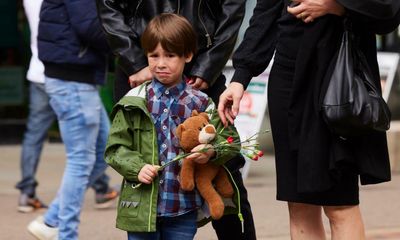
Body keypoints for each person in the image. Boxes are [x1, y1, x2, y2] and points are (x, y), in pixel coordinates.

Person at [218, 0, 400, 239]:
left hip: (338, 80)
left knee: (340, 205)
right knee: (299, 204)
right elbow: (266, 12)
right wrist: (240, 77)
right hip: (288, 80)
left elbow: (388, 9)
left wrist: (337, 5)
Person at [97, 1, 256, 239]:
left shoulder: (201, 101)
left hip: (202, 67)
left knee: (226, 174)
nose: (162, 62)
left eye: (167, 56)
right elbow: (108, 6)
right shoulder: (136, 98)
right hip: (138, 68)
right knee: (143, 161)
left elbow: (231, 11)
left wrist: (207, 67)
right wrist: (137, 61)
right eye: (157, 57)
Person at [16, 0, 118, 214]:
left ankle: (30, 194)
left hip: (45, 72)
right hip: (70, 74)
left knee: (38, 137)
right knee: (83, 157)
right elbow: (88, 26)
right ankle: (59, 218)